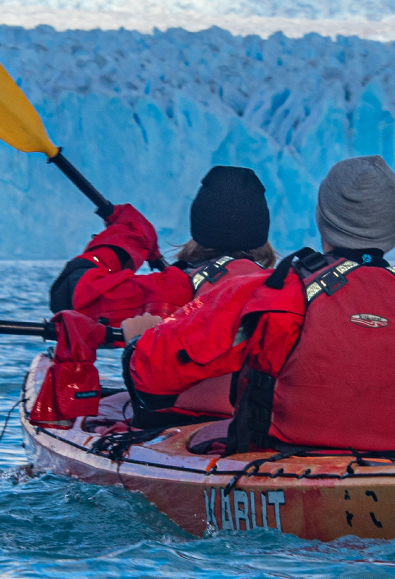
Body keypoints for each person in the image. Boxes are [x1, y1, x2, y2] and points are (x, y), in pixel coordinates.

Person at [121, 156, 395, 462]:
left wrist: (138, 341)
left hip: (280, 464)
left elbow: (153, 376)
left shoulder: (270, 297)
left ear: (321, 219)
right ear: (393, 228)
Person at [28, 166, 276, 428]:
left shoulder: (170, 287)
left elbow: (69, 294)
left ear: (199, 226)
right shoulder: (283, 289)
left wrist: (127, 238)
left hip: (171, 422)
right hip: (254, 426)